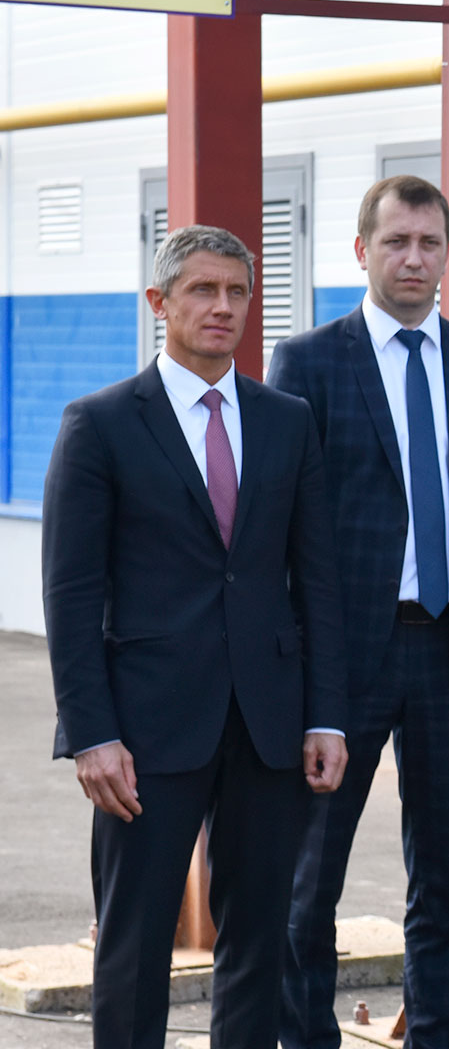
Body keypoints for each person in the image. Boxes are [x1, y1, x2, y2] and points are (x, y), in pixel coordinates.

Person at [42, 225, 348, 1049]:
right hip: (146, 728)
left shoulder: (286, 421)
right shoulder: (101, 423)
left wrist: (326, 715)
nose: (223, 307)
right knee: (135, 940)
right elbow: (70, 594)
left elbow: (316, 581)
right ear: (159, 302)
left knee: (260, 937)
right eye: (203, 290)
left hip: (269, 722)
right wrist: (91, 734)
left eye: (237, 292)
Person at [270, 176, 449, 1049]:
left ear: (447, 253)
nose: (414, 259)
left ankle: (435, 1037)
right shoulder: (308, 362)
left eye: (429, 243)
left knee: (444, 881)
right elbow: (283, 529)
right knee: (309, 881)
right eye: (396, 242)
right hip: (341, 660)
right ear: (362, 251)